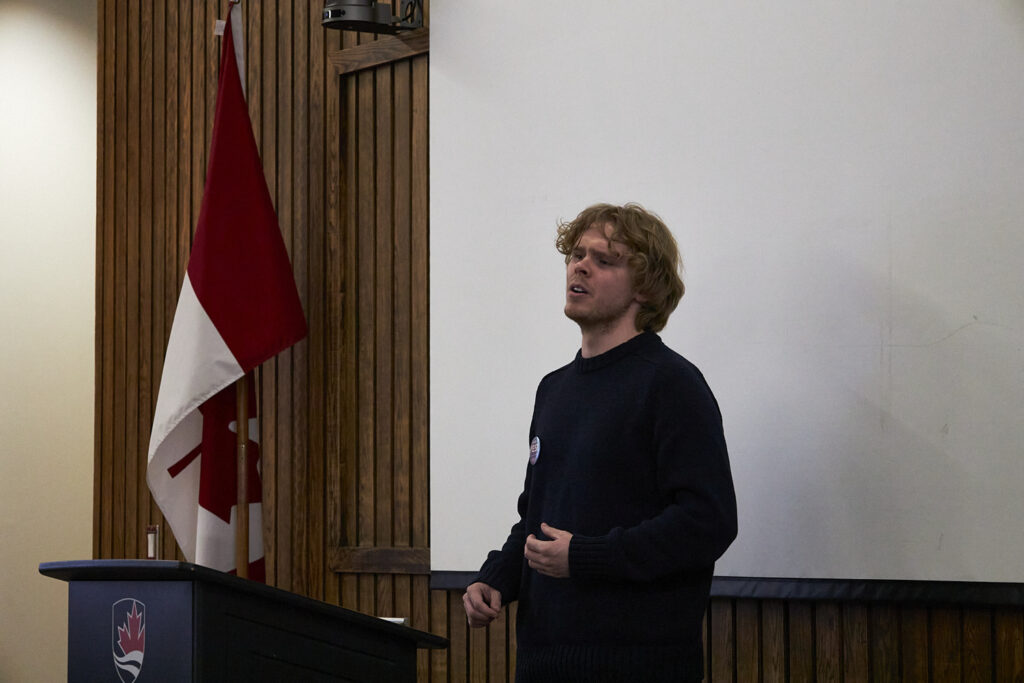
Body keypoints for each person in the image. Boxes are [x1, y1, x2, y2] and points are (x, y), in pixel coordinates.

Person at [462, 202, 738, 682]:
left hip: (637, 667)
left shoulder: (671, 384)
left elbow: (708, 521)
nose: (579, 266)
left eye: (604, 260)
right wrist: (497, 579)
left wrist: (587, 558)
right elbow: (538, 515)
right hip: (541, 664)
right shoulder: (554, 388)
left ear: (647, 288)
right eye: (575, 254)